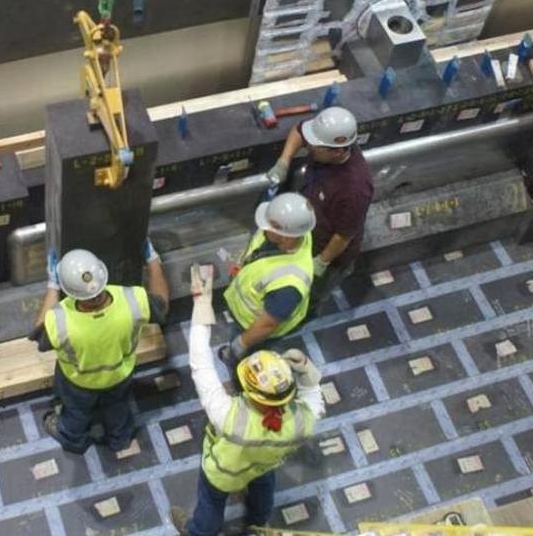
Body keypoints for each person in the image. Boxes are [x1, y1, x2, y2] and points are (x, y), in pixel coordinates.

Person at [170, 268, 324, 536]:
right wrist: (307, 369)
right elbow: (315, 400)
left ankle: (198, 532)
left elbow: (200, 363)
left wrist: (202, 302)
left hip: (224, 470)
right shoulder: (301, 421)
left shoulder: (228, 415)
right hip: (263, 464)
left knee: (211, 501)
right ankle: (257, 524)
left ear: (251, 392)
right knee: (263, 487)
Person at [29, 240, 169, 454]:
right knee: (117, 407)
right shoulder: (133, 300)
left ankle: (73, 439)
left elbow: (39, 336)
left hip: (78, 382)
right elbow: (162, 305)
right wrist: (153, 261)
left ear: (71, 291)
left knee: (76, 412)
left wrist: (52, 287)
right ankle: (120, 439)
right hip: (119, 376)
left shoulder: (60, 320)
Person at [266, 106, 373, 297]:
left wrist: (321, 262)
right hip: (307, 231)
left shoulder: (354, 189)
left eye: (316, 145)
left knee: (309, 294)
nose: (309, 147)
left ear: (337, 152)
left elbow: (344, 235)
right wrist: (284, 161)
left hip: (326, 252)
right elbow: (299, 131)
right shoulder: (327, 144)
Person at [220, 192, 316, 365]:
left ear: (286, 236)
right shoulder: (297, 233)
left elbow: (266, 326)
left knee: (249, 362)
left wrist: (238, 346)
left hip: (251, 325)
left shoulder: (289, 284)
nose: (264, 228)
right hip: (244, 311)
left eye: (270, 227)